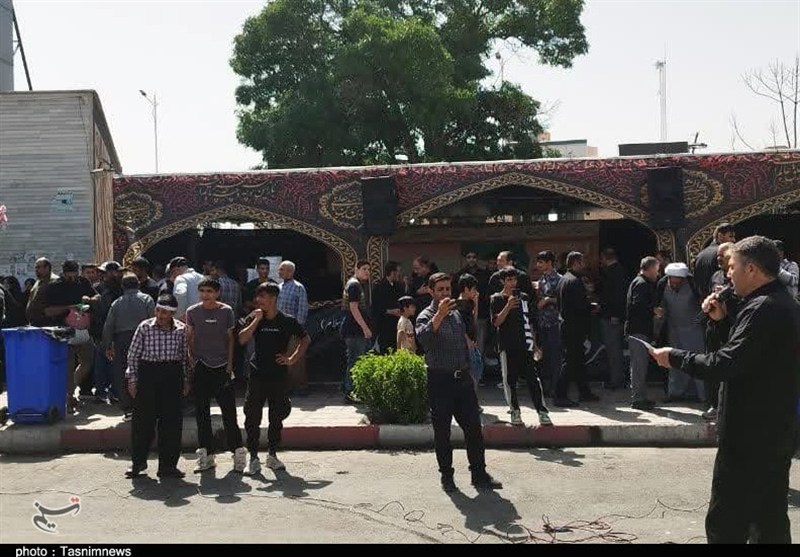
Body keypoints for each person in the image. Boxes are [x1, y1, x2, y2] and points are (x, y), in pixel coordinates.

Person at [651, 236, 800, 544]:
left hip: (750, 433)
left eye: (732, 267)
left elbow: (725, 363)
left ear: (752, 269)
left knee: (728, 520)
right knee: (768, 517)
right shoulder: (777, 303)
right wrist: (720, 322)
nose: (728, 274)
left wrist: (675, 357)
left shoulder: (764, 308)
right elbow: (747, 355)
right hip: (772, 428)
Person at [415, 272, 502, 493]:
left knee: (474, 429)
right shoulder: (425, 315)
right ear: (431, 291)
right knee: (442, 432)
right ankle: (447, 476)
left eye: (447, 289)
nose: (445, 293)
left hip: (462, 379)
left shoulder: (456, 314)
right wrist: (439, 315)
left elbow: (466, 341)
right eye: (440, 289)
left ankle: (479, 474)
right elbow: (424, 339)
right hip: (440, 380)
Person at [238, 283, 310, 476]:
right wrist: (255, 320)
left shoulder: (287, 320)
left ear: (273, 298)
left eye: (263, 297)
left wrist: (292, 359)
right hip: (257, 375)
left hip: (278, 375)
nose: (259, 300)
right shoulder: (255, 318)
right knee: (252, 416)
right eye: (258, 296)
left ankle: (272, 454)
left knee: (276, 415)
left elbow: (305, 339)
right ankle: (253, 458)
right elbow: (242, 339)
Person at [124, 294, 189, 479]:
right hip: (148, 375)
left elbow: (185, 357)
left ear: (172, 314)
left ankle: (168, 466)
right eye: (158, 311)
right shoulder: (144, 327)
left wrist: (186, 380)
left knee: (171, 423)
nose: (161, 315)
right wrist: (132, 379)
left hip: (172, 376)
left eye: (165, 312)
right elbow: (133, 355)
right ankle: (138, 464)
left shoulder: (181, 330)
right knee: (143, 423)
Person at [185, 278, 247, 473]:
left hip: (222, 367)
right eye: (203, 291)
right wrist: (192, 361)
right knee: (202, 414)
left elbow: (230, 340)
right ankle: (206, 455)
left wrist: (229, 365)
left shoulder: (226, 311)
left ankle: (237, 453)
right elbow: (189, 338)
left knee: (229, 413)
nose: (206, 295)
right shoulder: (192, 312)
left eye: (210, 291)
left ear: (217, 293)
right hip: (201, 366)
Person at [490, 267, 553, 426]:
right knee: (510, 380)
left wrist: (535, 345)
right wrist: (508, 306)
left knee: (533, 380)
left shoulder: (524, 298)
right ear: (503, 281)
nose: (512, 283)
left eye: (514, 279)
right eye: (509, 280)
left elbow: (529, 322)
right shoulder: (497, 299)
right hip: (508, 345)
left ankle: (542, 411)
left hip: (525, 344)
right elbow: (496, 322)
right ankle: (515, 411)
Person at [45, 260, 98, 412]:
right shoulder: (55, 287)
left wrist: (89, 300)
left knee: (88, 361)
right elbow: (48, 311)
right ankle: (69, 398)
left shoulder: (83, 282)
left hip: (83, 329)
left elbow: (97, 296)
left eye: (74, 273)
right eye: (69, 274)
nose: (72, 277)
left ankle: (70, 389)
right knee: (68, 366)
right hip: (64, 331)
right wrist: (70, 308)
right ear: (64, 273)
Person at [102, 273, 155, 420]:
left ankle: (128, 407)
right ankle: (145, 405)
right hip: (144, 338)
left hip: (122, 340)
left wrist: (107, 345)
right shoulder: (147, 299)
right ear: (138, 284)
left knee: (123, 373)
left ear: (122, 286)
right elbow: (153, 320)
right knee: (146, 371)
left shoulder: (117, 303)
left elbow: (109, 325)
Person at [553, 252, 599, 407]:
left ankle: (584, 392)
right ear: (576, 263)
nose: (584, 265)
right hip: (573, 327)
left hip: (568, 325)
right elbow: (579, 306)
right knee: (570, 361)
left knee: (579, 361)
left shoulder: (564, 279)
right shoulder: (574, 281)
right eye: (582, 262)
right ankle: (560, 395)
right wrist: (591, 307)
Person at [656, 263, 705, 403]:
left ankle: (703, 396)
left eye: (678, 282)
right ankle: (675, 393)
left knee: (697, 360)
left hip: (694, 328)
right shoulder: (662, 284)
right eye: (672, 282)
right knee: (674, 361)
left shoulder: (693, 284)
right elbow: (659, 304)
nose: (675, 285)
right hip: (674, 328)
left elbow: (703, 304)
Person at [625, 256, 660, 411]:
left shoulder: (640, 282)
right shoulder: (641, 284)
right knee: (639, 366)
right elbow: (637, 306)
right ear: (650, 268)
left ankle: (640, 396)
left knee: (640, 365)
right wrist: (653, 310)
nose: (658, 273)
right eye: (656, 270)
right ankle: (638, 399)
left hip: (638, 330)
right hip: (638, 330)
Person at [340, 260, 373, 403]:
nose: (367, 272)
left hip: (354, 330)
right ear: (356, 269)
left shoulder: (356, 284)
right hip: (354, 330)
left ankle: (349, 388)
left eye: (368, 269)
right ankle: (350, 391)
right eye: (364, 269)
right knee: (355, 361)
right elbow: (354, 308)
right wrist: (365, 328)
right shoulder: (354, 285)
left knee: (355, 360)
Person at [597, 248, 629, 390]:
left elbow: (617, 296)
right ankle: (617, 378)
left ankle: (616, 380)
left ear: (605, 258)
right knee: (614, 349)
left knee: (613, 349)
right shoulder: (618, 271)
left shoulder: (614, 273)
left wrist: (615, 314)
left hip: (611, 317)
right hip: (613, 315)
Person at [277, 260, 310, 393]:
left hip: (293, 330)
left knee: (296, 358)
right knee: (282, 357)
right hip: (280, 330)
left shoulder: (298, 287)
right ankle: (287, 386)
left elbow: (302, 309)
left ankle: (301, 386)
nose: (279, 272)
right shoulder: (278, 287)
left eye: (282, 269)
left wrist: (298, 330)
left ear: (290, 271)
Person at [534, 251, 562, 396]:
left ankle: (557, 387)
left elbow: (563, 300)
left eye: (541, 262)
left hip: (554, 323)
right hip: (542, 323)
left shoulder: (559, 279)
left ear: (549, 263)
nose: (538, 265)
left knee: (555, 356)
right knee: (544, 357)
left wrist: (548, 300)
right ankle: (546, 386)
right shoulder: (542, 279)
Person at [692, 223, 736, 299]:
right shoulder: (723, 254)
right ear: (720, 236)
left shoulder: (700, 254)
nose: (733, 240)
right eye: (731, 236)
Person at [371, 261, 405, 354]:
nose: (399, 274)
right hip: (385, 326)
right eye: (398, 271)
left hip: (398, 325)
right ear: (392, 272)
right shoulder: (379, 287)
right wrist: (389, 311)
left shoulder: (399, 286)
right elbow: (375, 307)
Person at [26, 257, 60, 326]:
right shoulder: (39, 281)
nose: (36, 270)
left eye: (38, 267)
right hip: (35, 322)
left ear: (47, 268)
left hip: (48, 323)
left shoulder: (55, 281)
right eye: (36, 267)